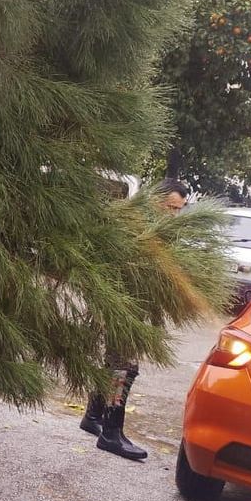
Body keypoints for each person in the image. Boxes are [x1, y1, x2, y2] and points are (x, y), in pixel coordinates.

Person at [79, 178, 189, 460]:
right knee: (124, 368)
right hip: (120, 306)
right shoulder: (135, 226)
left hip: (132, 307)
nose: (174, 214)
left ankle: (93, 417)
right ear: (155, 201)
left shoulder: (159, 230)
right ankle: (111, 433)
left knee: (115, 364)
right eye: (170, 207)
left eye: (180, 209)